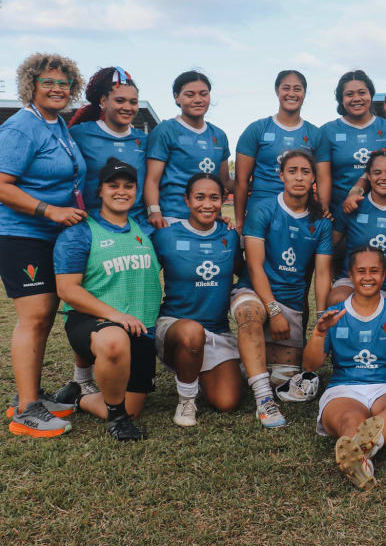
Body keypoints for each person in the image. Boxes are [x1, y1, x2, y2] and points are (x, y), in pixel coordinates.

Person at [0, 53, 87, 437]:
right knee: (34, 318)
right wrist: (47, 210)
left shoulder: (57, 123)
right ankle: (26, 411)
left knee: (46, 316)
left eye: (63, 84)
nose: (57, 89)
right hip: (23, 234)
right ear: (31, 86)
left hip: (52, 235)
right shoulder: (21, 127)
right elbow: (2, 184)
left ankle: (31, 397)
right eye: (48, 82)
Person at [54, 158, 161, 441]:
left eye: (128, 186)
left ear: (137, 191)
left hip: (139, 328)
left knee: (134, 407)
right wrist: (115, 315)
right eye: (113, 185)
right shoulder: (80, 230)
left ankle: (78, 396)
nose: (121, 191)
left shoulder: (145, 230)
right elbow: (67, 289)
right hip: (93, 322)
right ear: (100, 190)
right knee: (114, 340)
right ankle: (117, 418)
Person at [230, 149, 333, 428]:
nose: (298, 177)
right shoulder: (263, 208)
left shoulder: (321, 221)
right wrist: (273, 310)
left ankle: (243, 366)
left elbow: (322, 273)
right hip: (256, 293)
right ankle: (264, 400)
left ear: (313, 178)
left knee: (288, 379)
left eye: (305, 171)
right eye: (292, 171)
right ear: (281, 176)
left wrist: (322, 317)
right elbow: (254, 266)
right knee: (250, 314)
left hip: (292, 304)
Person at [305, 246, 386, 490]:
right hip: (345, 388)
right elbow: (310, 365)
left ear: (383, 274)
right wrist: (318, 333)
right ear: (350, 273)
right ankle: (360, 452)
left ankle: (362, 456)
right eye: (361, 271)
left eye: (374, 271)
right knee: (350, 420)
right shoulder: (334, 314)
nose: (367, 277)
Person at [151, 173, 242, 427]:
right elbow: (144, 278)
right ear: (187, 201)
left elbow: (242, 272)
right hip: (176, 327)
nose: (207, 204)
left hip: (217, 331)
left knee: (227, 402)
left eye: (214, 198)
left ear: (223, 200)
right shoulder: (165, 235)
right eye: (199, 197)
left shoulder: (230, 235)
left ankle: (202, 371)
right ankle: (186, 400)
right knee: (192, 332)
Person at [234, 70, 329, 228]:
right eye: (286, 88)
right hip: (262, 211)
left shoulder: (315, 134)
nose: (291, 93)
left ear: (305, 93)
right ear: (277, 90)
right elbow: (241, 180)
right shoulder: (257, 129)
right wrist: (239, 221)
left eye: (297, 89)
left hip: (301, 211)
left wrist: (323, 208)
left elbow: (323, 178)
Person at [318, 70, 386, 217]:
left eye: (362, 92)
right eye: (349, 94)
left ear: (370, 95)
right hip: (341, 212)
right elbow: (322, 176)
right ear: (341, 99)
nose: (356, 98)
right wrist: (323, 209)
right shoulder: (327, 131)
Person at [330, 150, 386, 304]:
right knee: (337, 299)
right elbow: (328, 246)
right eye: (377, 172)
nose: (383, 178)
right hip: (353, 281)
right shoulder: (351, 206)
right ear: (369, 176)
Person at [144, 71, 231, 228]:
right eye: (190, 95)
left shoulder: (219, 135)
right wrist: (154, 212)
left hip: (209, 217)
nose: (198, 100)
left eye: (203, 94)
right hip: (174, 217)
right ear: (177, 97)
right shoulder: (165, 130)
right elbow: (152, 179)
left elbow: (225, 181)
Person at [69, 66, 149, 224]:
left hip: (136, 226)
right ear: (103, 101)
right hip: (92, 225)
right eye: (120, 100)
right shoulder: (79, 134)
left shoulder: (144, 140)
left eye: (133, 102)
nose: (127, 107)